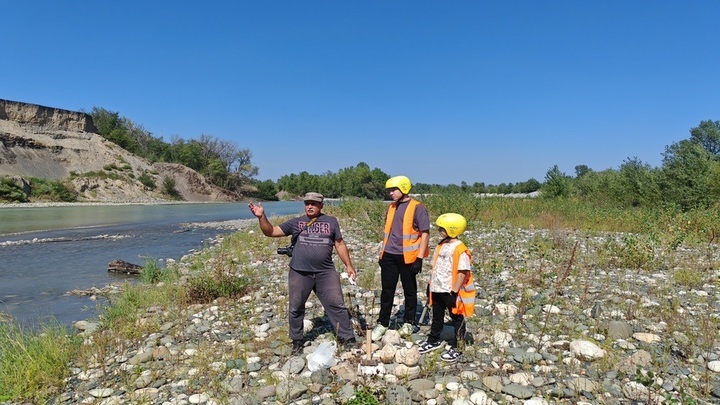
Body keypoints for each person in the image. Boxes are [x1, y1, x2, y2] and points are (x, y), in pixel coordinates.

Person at [248, 192, 357, 354]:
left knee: (336, 304)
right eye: (307, 203)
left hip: (325, 272)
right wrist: (261, 217)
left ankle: (347, 337)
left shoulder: (331, 221)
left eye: (314, 203)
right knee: (296, 307)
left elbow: (339, 244)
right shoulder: (296, 222)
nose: (310, 206)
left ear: (321, 206)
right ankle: (297, 340)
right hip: (299, 272)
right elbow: (270, 231)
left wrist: (349, 265)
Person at [372, 175, 430, 341]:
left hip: (408, 257)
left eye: (393, 190)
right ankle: (383, 323)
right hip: (389, 255)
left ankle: (409, 322)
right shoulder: (391, 207)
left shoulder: (417, 207)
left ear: (404, 189)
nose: (391, 193)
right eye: (389, 190)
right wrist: (382, 255)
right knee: (387, 291)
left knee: (409, 290)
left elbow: (425, 233)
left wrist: (419, 257)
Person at [416, 213, 476, 362]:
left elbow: (462, 272)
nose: (439, 231)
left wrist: (454, 291)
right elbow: (437, 267)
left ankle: (458, 346)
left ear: (452, 229)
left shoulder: (460, 249)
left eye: (442, 228)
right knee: (437, 316)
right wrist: (431, 285)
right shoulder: (442, 244)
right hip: (438, 288)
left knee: (456, 318)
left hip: (450, 290)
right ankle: (433, 339)